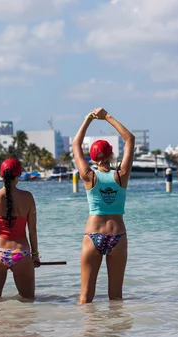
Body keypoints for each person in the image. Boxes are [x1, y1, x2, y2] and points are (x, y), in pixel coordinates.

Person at [71, 107, 135, 303]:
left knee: (85, 298)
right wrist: (106, 117)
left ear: (92, 158)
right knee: (116, 298)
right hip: (117, 236)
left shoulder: (89, 176)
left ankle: (89, 332)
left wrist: (88, 119)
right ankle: (114, 333)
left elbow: (75, 143)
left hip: (93, 236)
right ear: (111, 155)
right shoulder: (121, 175)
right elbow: (129, 139)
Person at [0, 158, 40, 300]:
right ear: (19, 175)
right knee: (28, 302)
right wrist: (35, 254)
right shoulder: (27, 197)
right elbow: (32, 231)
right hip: (21, 252)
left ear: (1, 175)